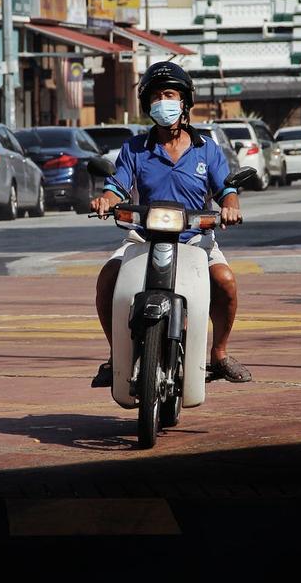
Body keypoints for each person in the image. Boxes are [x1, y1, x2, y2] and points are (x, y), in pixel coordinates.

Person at [90, 60, 252, 388]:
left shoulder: (207, 149)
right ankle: (114, 354)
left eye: (169, 94)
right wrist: (106, 198)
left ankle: (219, 353)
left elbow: (227, 191)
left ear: (184, 102)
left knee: (225, 281)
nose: (163, 102)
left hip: (196, 239)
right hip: (143, 237)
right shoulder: (135, 149)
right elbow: (117, 185)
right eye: (155, 97)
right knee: (108, 277)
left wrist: (231, 206)